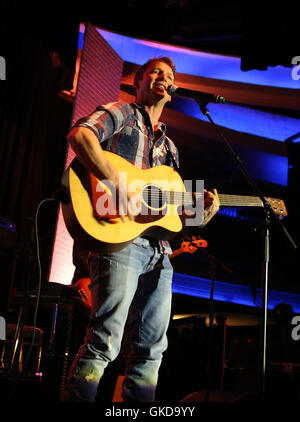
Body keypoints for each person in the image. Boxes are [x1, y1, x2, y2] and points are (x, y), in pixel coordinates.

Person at [60, 56, 219, 402]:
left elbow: (173, 217)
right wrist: (118, 184)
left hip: (159, 254)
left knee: (151, 351)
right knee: (105, 340)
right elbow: (81, 135)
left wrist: (204, 212)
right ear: (138, 83)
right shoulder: (121, 113)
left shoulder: (170, 148)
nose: (164, 78)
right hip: (119, 242)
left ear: (173, 91)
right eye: (156, 73)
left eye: (170, 76)